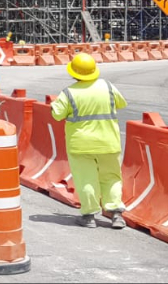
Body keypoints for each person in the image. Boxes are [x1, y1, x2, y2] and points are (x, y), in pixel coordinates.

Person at [51, 53, 128, 229]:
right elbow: (121, 103)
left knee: (86, 179)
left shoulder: (69, 93)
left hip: (81, 145)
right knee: (112, 178)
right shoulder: (107, 86)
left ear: (74, 73)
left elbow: (56, 115)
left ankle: (89, 216)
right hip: (108, 142)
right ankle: (116, 215)